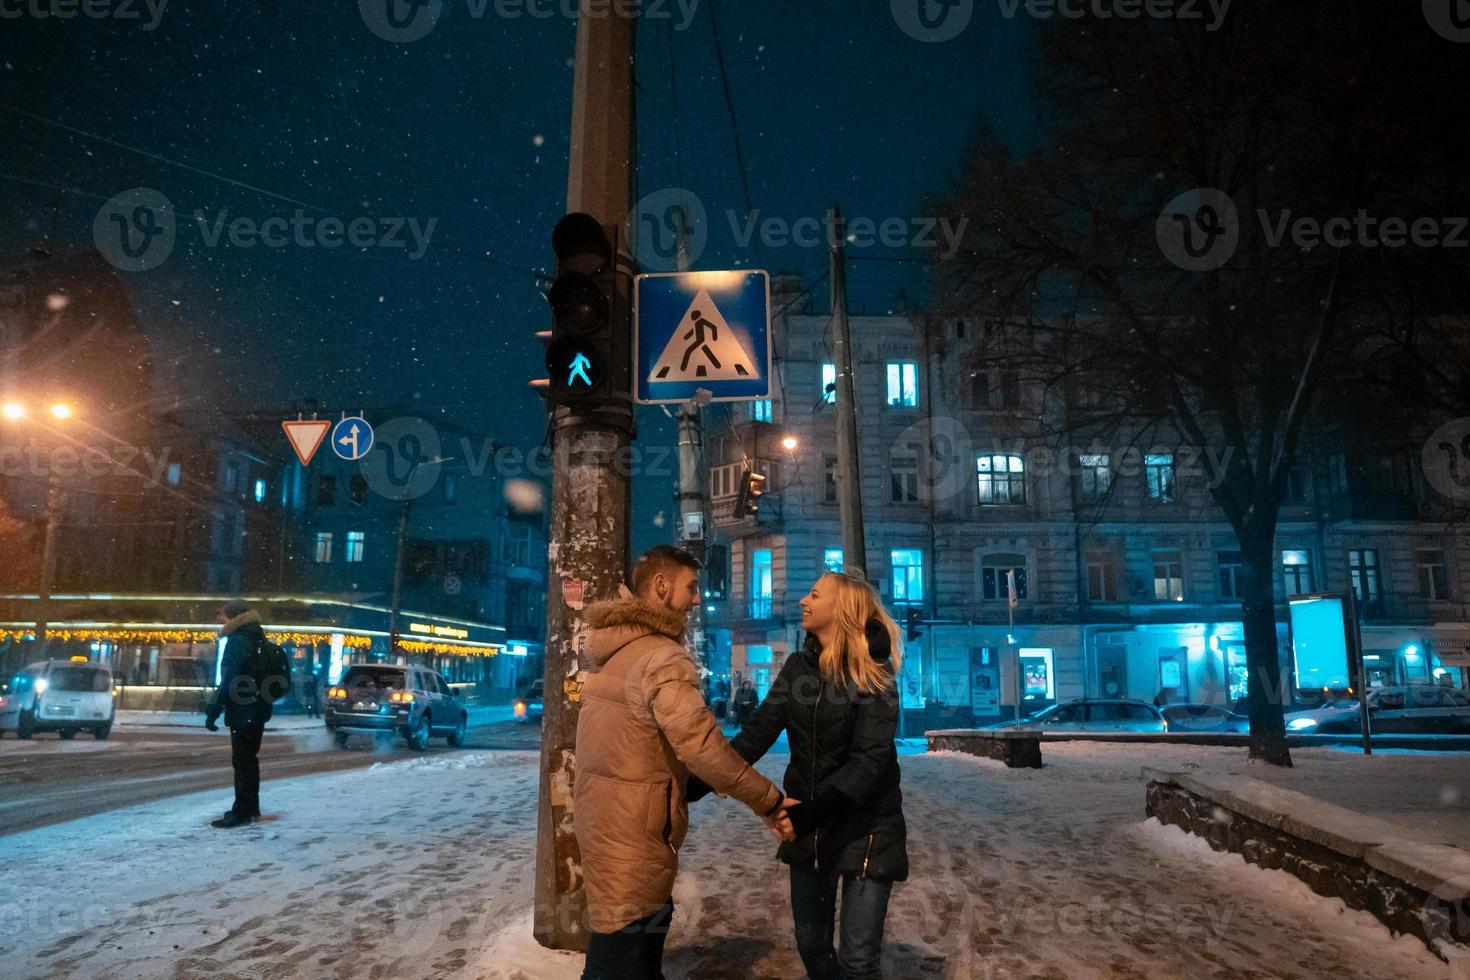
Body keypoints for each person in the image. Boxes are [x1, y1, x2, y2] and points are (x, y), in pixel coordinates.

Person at [575, 544, 796, 980]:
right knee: (619, 960)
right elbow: (703, 749)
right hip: (634, 832)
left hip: (608, 824)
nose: (697, 599)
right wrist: (768, 800)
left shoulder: (619, 652)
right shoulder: (662, 658)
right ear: (661, 587)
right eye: (690, 587)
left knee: (627, 949)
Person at [698, 572, 909, 980]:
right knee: (811, 946)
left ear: (842, 610)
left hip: (868, 830)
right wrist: (704, 779)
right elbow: (758, 732)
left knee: (859, 962)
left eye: (815, 594)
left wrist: (813, 812)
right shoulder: (797, 667)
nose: (802, 602)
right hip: (810, 831)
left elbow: (870, 762)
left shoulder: (874, 672)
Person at [204, 599, 272, 828]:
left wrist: (214, 708)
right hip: (259, 707)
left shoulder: (237, 640)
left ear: (233, 617)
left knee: (242, 761)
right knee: (249, 760)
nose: (220, 619)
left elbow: (230, 678)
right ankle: (251, 807)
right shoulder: (258, 636)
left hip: (242, 707)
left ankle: (241, 812)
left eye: (223, 615)